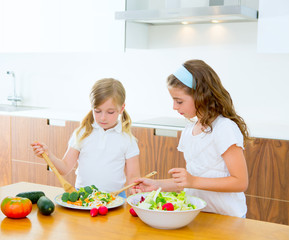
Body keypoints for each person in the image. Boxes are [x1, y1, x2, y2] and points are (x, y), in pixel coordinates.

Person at [134, 60, 249, 217]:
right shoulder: (190, 130)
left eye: (179, 101)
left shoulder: (224, 128)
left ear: (200, 96)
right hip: (198, 214)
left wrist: (193, 181)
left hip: (228, 217)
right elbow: (190, 180)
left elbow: (240, 182)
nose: (174, 106)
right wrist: (157, 185)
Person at [31, 78, 140, 198]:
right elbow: (65, 168)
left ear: (122, 109)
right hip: (83, 198)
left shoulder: (128, 140)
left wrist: (135, 188)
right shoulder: (82, 133)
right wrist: (49, 154)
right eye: (97, 111)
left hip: (116, 198)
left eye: (110, 112)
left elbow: (133, 177)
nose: (103, 117)